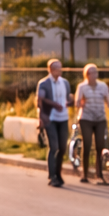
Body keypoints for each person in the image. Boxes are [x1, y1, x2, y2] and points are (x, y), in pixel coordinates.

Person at [75, 63, 109, 185]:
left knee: (100, 146)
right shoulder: (82, 87)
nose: (95, 75)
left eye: (96, 72)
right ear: (87, 75)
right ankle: (85, 174)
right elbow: (77, 102)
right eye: (92, 72)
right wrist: (80, 101)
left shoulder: (103, 86)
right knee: (87, 144)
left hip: (100, 118)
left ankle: (99, 174)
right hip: (86, 118)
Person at [36, 59, 71, 187]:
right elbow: (40, 100)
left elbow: (67, 98)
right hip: (49, 118)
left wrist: (70, 102)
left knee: (62, 148)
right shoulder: (44, 83)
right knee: (54, 147)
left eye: (60, 67)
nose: (59, 70)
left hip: (63, 118)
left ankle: (58, 173)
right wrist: (41, 116)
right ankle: (52, 176)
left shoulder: (65, 83)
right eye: (56, 68)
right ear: (50, 69)